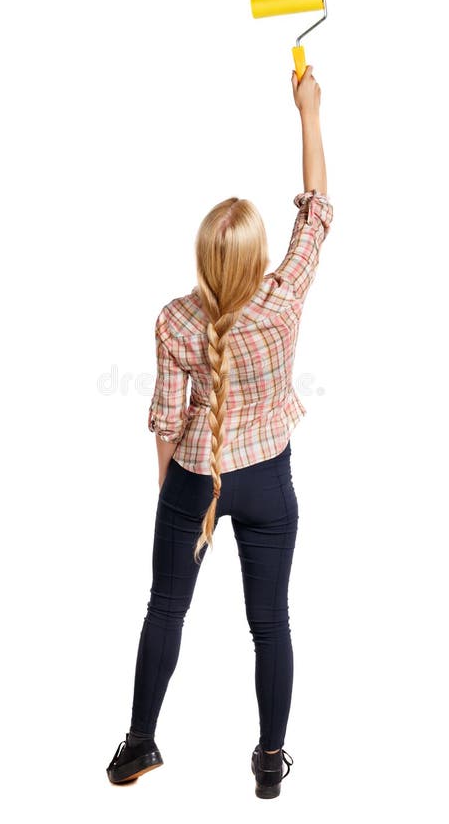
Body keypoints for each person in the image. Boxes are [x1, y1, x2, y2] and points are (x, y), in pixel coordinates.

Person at [106, 65, 333, 800]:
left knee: (165, 607)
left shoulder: (176, 319)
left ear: (204, 256)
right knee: (271, 623)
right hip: (268, 481)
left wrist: (176, 494)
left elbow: (167, 423)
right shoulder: (282, 299)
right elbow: (318, 210)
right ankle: (270, 759)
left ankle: (138, 745)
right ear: (258, 258)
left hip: (194, 481)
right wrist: (308, 111)